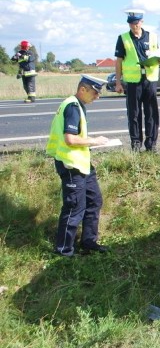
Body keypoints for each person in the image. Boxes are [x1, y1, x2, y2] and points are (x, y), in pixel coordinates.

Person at [46, 75, 111, 257]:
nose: (97, 97)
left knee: (94, 200)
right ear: (83, 89)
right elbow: (70, 139)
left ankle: (89, 242)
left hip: (82, 164)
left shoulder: (77, 105)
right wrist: (95, 141)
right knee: (74, 207)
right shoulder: (73, 106)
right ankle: (64, 251)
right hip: (71, 165)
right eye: (95, 93)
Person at [114, 9, 160, 152]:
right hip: (133, 81)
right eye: (131, 24)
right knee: (134, 114)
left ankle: (151, 144)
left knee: (151, 113)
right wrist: (118, 82)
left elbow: (158, 54)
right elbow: (119, 61)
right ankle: (136, 143)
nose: (134, 26)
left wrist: (159, 60)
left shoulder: (152, 37)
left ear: (141, 22)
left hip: (150, 79)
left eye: (136, 23)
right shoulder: (123, 38)